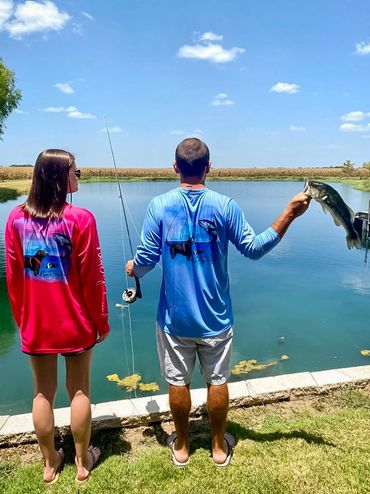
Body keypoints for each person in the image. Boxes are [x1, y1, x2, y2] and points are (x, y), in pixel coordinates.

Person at [126, 138, 310, 467]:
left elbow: (145, 262)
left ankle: (181, 446)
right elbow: (254, 248)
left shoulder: (158, 206)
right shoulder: (226, 206)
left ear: (175, 167)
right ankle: (218, 448)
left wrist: (132, 268)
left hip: (174, 320)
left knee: (177, 381)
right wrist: (290, 214)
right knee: (218, 381)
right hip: (216, 318)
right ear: (209, 167)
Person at [5, 149, 110, 484]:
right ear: (59, 177)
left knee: (42, 393)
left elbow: (14, 278)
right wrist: (101, 321)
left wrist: (22, 319)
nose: (79, 175)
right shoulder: (81, 219)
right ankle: (82, 462)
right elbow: (93, 277)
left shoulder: (15, 219)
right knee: (79, 390)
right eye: (75, 170)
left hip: (36, 324)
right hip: (76, 323)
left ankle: (50, 464)